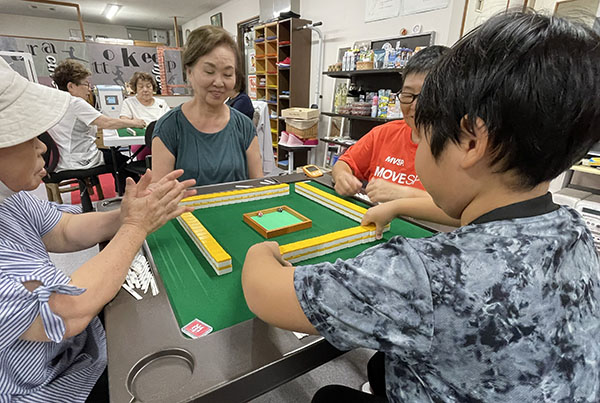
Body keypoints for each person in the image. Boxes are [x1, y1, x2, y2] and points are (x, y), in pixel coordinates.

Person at [242, 11, 600, 403]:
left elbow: (265, 294)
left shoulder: (423, 274)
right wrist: (396, 208)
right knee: (383, 362)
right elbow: (477, 224)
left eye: (423, 133)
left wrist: (264, 250)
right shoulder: (572, 228)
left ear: (469, 141)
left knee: (330, 397)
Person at [0, 58, 196, 401]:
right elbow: (65, 312)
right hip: (49, 387)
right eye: (27, 134)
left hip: (79, 349)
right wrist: (135, 227)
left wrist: (126, 214)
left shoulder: (8, 195)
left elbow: (62, 228)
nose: (42, 146)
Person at [332, 46, 460, 227]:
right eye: (408, 95)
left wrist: (402, 195)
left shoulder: (462, 147)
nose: (415, 106)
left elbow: (464, 214)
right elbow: (344, 163)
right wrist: (342, 177)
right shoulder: (385, 133)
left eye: (426, 96)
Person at [152, 25, 263, 186]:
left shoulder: (244, 126)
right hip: (186, 211)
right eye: (209, 72)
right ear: (189, 72)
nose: (218, 82)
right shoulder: (169, 128)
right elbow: (160, 195)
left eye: (227, 74)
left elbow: (258, 185)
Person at [48, 59, 146, 173]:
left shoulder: (58, 101)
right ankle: (127, 190)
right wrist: (135, 123)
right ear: (71, 86)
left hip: (62, 159)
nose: (89, 89)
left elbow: (82, 126)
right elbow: (106, 122)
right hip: (78, 160)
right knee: (121, 160)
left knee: (114, 155)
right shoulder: (75, 103)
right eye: (86, 84)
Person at [120, 72, 171, 161]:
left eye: (148, 86)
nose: (145, 89)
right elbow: (123, 120)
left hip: (163, 141)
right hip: (140, 143)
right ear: (135, 88)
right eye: (141, 87)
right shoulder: (129, 102)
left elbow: (170, 121)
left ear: (153, 88)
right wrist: (134, 123)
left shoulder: (161, 103)